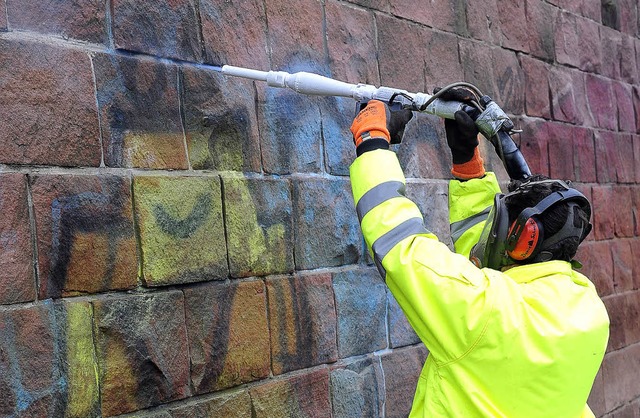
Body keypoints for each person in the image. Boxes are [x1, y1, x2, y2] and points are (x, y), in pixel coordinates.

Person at [348, 95, 610, 417]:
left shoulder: (485, 311)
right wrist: (467, 164)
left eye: (502, 223)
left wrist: (372, 140)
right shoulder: (590, 311)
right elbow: (488, 270)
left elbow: (401, 244)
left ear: (523, 240)